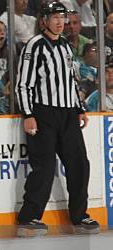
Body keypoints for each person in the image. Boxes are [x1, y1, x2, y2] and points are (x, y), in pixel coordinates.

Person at [15, 1, 99, 236]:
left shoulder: (65, 46)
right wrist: (28, 114)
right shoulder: (34, 46)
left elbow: (72, 81)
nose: (61, 22)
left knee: (80, 164)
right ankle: (28, 217)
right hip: (43, 114)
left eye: (63, 17)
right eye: (55, 18)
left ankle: (79, 215)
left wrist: (80, 108)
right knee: (44, 168)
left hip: (68, 114)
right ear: (44, 20)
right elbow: (23, 84)